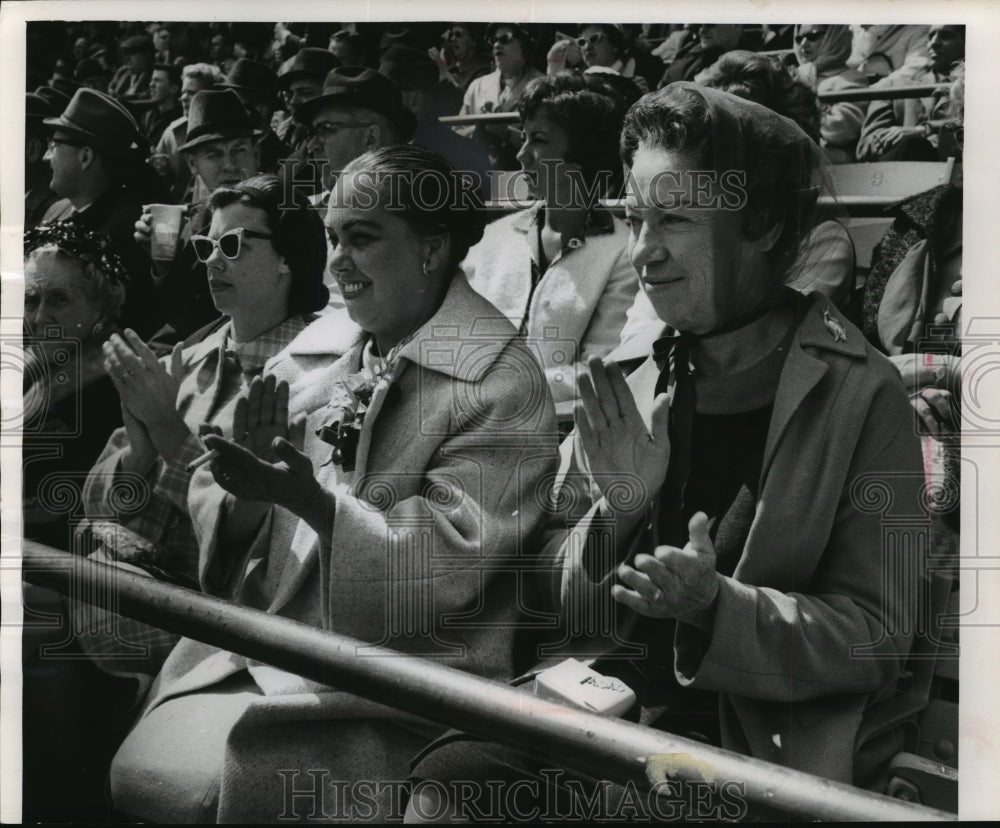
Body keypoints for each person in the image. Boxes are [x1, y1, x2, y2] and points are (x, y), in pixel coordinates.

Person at [107, 145, 560, 823]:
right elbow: (223, 508)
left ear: (433, 249)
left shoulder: (500, 383)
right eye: (332, 238)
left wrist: (315, 504)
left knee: (192, 782)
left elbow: (444, 577)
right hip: (267, 644)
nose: (339, 262)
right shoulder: (322, 353)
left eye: (364, 238)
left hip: (399, 682)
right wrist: (247, 499)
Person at [560, 82, 923, 784]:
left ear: (761, 225)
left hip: (746, 758)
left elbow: (877, 640)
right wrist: (621, 508)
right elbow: (558, 609)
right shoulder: (631, 375)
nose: (642, 251)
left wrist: (716, 607)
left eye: (675, 221)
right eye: (635, 219)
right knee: (450, 778)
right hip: (595, 719)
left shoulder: (864, 393)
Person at [80, 174, 329, 679]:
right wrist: (139, 455)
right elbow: (95, 499)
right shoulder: (188, 355)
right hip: (122, 582)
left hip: (212, 626)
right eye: (206, 245)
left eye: (233, 245)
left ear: (289, 259)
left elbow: (249, 557)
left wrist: (169, 433)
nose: (212, 260)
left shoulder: (315, 374)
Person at [463, 72, 638, 403]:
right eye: (524, 137)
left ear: (582, 154)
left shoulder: (623, 253)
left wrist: (511, 387)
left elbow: (602, 369)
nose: (521, 154)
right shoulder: (493, 238)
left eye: (539, 140)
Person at [135, 88, 263, 351]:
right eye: (214, 155)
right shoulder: (189, 220)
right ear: (192, 165)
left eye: (239, 150)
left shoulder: (280, 213)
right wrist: (161, 266)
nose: (229, 165)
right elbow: (170, 306)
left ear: (256, 154)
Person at [39, 88, 161, 338]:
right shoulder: (56, 211)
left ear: (85, 157)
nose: (46, 156)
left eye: (54, 145)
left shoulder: (130, 232)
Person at [856, 25, 965, 162]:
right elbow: (866, 145)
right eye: (930, 37)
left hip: (955, 170)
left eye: (946, 36)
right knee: (910, 146)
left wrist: (922, 131)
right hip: (904, 168)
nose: (934, 43)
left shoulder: (978, 85)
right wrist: (895, 136)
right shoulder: (895, 86)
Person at [457, 23, 544, 170]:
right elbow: (457, 132)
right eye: (493, 40)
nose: (497, 45)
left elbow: (547, 141)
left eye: (505, 38)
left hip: (524, 174)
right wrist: (478, 130)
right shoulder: (477, 86)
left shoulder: (541, 85)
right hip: (481, 174)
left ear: (524, 44)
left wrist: (507, 134)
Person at [792, 24, 868, 164]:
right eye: (798, 38)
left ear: (835, 37)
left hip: (833, 164)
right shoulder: (792, 75)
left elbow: (840, 130)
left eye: (813, 36)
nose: (803, 43)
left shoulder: (852, 79)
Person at [151, 62, 225, 201]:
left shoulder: (226, 134)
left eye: (192, 93)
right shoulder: (173, 132)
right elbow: (157, 179)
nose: (183, 98)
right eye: (183, 92)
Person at [218, 58, 293, 174]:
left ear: (262, 110)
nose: (228, 113)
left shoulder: (287, 162)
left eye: (237, 106)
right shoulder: (220, 152)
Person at [547, 24, 649, 94]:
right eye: (582, 42)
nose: (587, 47)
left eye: (594, 39)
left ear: (615, 45)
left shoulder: (636, 83)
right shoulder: (577, 78)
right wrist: (554, 69)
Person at [141, 63, 183, 147]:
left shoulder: (179, 121)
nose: (151, 84)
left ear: (173, 88)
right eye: (151, 80)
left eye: (157, 81)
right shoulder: (148, 115)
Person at [108, 34, 155, 101]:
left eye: (132, 54)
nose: (127, 59)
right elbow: (111, 90)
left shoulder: (154, 76)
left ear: (146, 54)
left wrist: (120, 98)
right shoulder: (122, 72)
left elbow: (146, 96)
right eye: (126, 55)